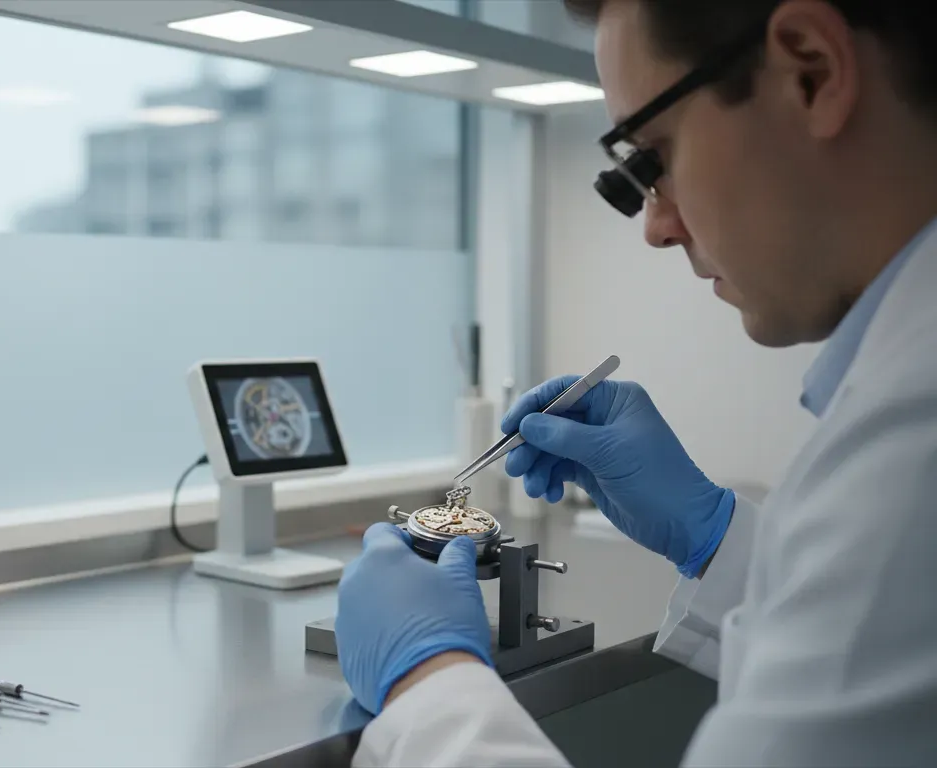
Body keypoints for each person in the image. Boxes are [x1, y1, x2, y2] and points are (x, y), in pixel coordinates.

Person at [333, 0, 937, 765]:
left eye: (652, 158)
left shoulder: (913, 456)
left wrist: (428, 681)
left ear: (810, 73)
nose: (656, 227)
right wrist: (717, 539)